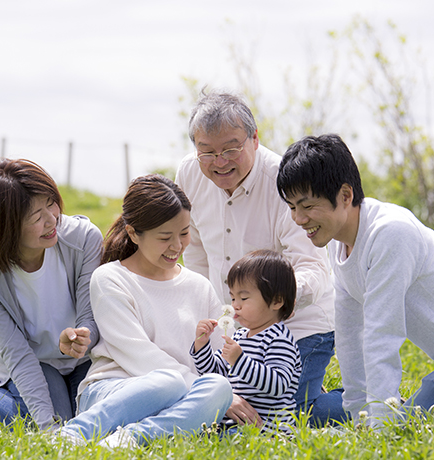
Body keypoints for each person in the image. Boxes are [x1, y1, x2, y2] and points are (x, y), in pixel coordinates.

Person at [276, 133, 434, 427]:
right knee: (405, 414)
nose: (298, 219)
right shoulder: (339, 244)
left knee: (409, 424)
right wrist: (358, 413)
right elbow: (350, 336)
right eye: (292, 207)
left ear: (345, 196)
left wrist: (379, 427)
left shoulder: (389, 233)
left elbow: (381, 335)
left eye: (307, 206)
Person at [176, 90, 345, 426]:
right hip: (235, 327)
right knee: (223, 407)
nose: (220, 161)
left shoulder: (283, 181)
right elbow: (194, 253)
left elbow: (313, 267)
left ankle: (367, 398)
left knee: (287, 415)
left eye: (231, 149)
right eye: (207, 152)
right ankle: (309, 387)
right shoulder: (189, 174)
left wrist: (273, 305)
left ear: (254, 139)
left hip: (299, 323)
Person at [56, 174, 232, 448]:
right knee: (168, 382)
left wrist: (225, 395)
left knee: (220, 387)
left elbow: (221, 359)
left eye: (184, 233)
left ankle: (129, 439)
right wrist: (196, 390)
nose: (177, 246)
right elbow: (139, 356)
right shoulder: (110, 278)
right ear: (134, 233)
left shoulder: (200, 286)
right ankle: (74, 433)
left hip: (181, 394)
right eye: (165, 237)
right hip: (116, 390)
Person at [0, 158, 103, 431]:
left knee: (92, 423)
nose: (52, 220)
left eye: (51, 203)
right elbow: (18, 354)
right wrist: (48, 427)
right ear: (6, 227)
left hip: (86, 358)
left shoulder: (84, 239)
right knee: (52, 425)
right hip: (35, 362)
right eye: (36, 217)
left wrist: (84, 337)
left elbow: (89, 316)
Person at [191, 249, 302, 434]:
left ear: (276, 301)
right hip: (235, 423)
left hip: (268, 428)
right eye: (233, 297)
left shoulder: (279, 339)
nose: (235, 304)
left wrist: (239, 361)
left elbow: (278, 385)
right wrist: (202, 346)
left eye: (243, 298)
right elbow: (214, 374)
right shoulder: (239, 336)